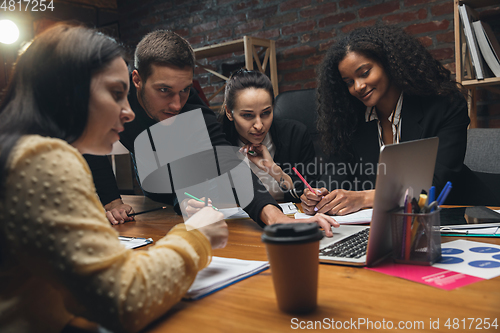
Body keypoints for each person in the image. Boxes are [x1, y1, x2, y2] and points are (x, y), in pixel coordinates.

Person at [0, 24, 228, 333]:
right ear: (68, 91)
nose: (128, 112)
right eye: (115, 93)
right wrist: (196, 235)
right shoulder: (43, 160)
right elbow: (123, 299)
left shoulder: (17, 149)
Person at [85, 30, 339, 234]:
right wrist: (111, 200)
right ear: (137, 80)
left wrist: (275, 217)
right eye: (164, 90)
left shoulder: (189, 103)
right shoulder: (108, 95)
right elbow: (92, 145)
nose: (176, 104)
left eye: (184, 89)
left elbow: (227, 159)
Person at [301, 24, 474, 216]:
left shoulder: (445, 106)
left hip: (446, 221)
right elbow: (337, 175)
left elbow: (436, 185)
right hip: (378, 226)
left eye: (365, 73)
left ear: (389, 63)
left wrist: (364, 198)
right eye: (349, 82)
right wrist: (321, 197)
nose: (358, 86)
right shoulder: (349, 120)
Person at [220, 69, 316, 202]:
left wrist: (274, 170)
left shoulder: (295, 135)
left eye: (266, 113)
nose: (259, 125)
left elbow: (311, 192)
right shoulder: (218, 142)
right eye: (248, 115)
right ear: (229, 112)